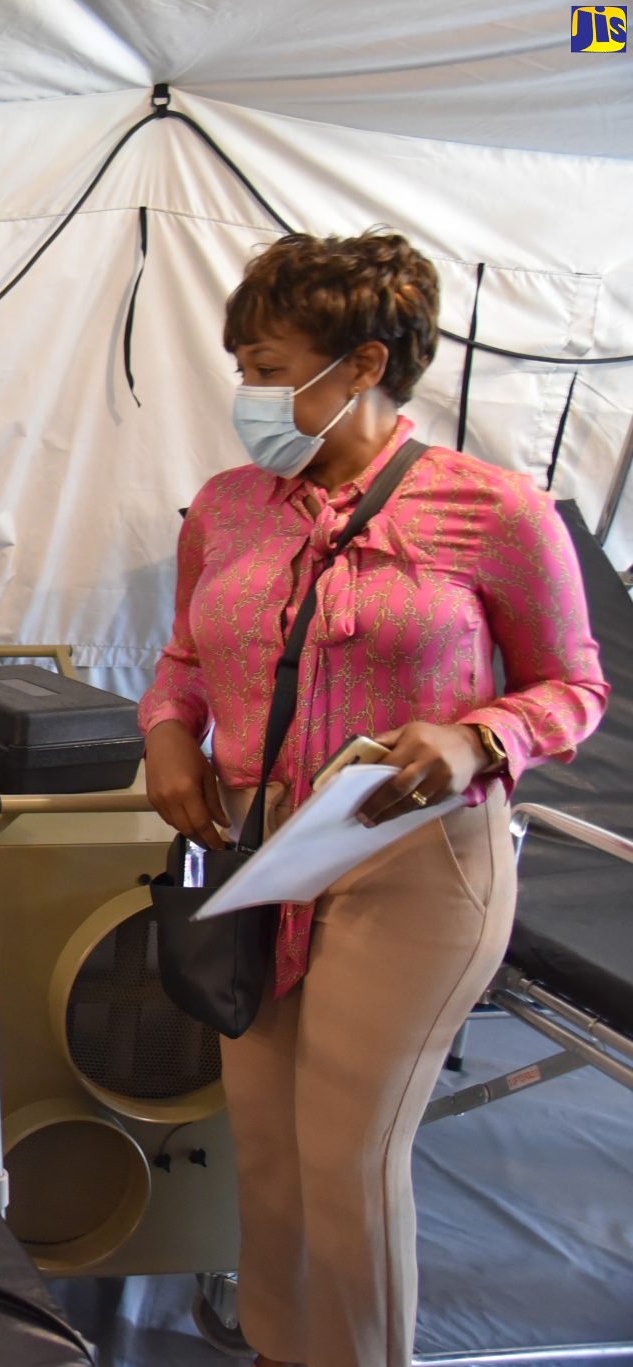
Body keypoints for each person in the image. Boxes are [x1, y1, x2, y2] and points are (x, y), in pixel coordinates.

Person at [139, 231, 608, 1367]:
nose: (245, 393)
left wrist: (478, 734)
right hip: (267, 853)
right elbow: (185, 659)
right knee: (265, 1152)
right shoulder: (227, 507)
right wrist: (168, 732)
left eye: (264, 367)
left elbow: (575, 685)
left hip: (414, 861)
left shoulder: (495, 511)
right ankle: (275, 1349)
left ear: (359, 365)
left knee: (347, 1155)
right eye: (241, 368)